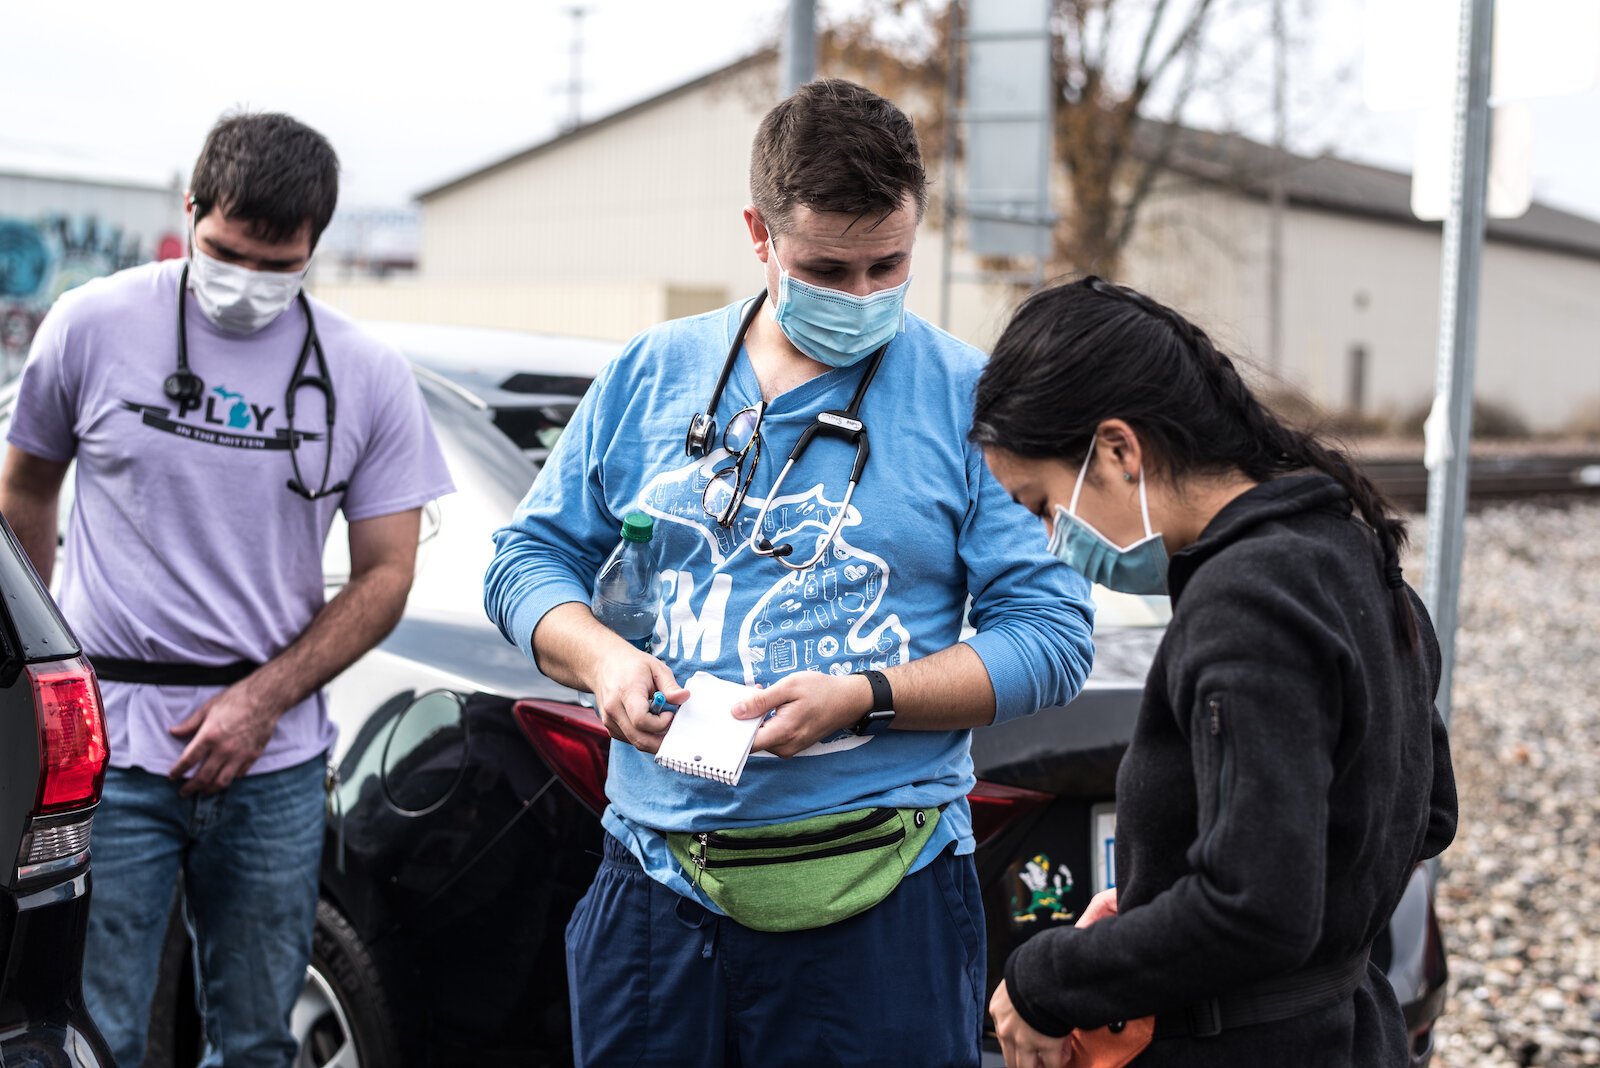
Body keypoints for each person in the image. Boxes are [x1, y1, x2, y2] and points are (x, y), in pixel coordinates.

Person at [484, 78, 1095, 1066]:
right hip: (659, 897)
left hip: (883, 908)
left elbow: (1054, 639)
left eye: (887, 265)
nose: (862, 298)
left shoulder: (969, 399)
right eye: (826, 270)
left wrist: (869, 698)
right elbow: (526, 563)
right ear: (758, 236)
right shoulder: (648, 375)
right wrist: (598, 660)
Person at [0, 112, 455, 1067]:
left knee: (254, 1038)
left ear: (314, 248)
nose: (245, 281)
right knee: (96, 1033)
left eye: (275, 262)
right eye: (223, 251)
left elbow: (386, 573)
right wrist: (32, 673)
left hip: (273, 763)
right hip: (110, 756)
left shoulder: (366, 376)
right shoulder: (94, 325)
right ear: (191, 210)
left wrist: (259, 703)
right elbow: (27, 484)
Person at [970, 277, 1458, 1067]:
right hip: (1349, 1028)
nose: (1049, 538)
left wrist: (1042, 978)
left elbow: (1255, 906)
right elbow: (1426, 811)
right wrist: (1163, 902)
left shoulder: (1245, 603)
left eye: (1042, 505)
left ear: (1120, 451)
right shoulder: (1347, 548)